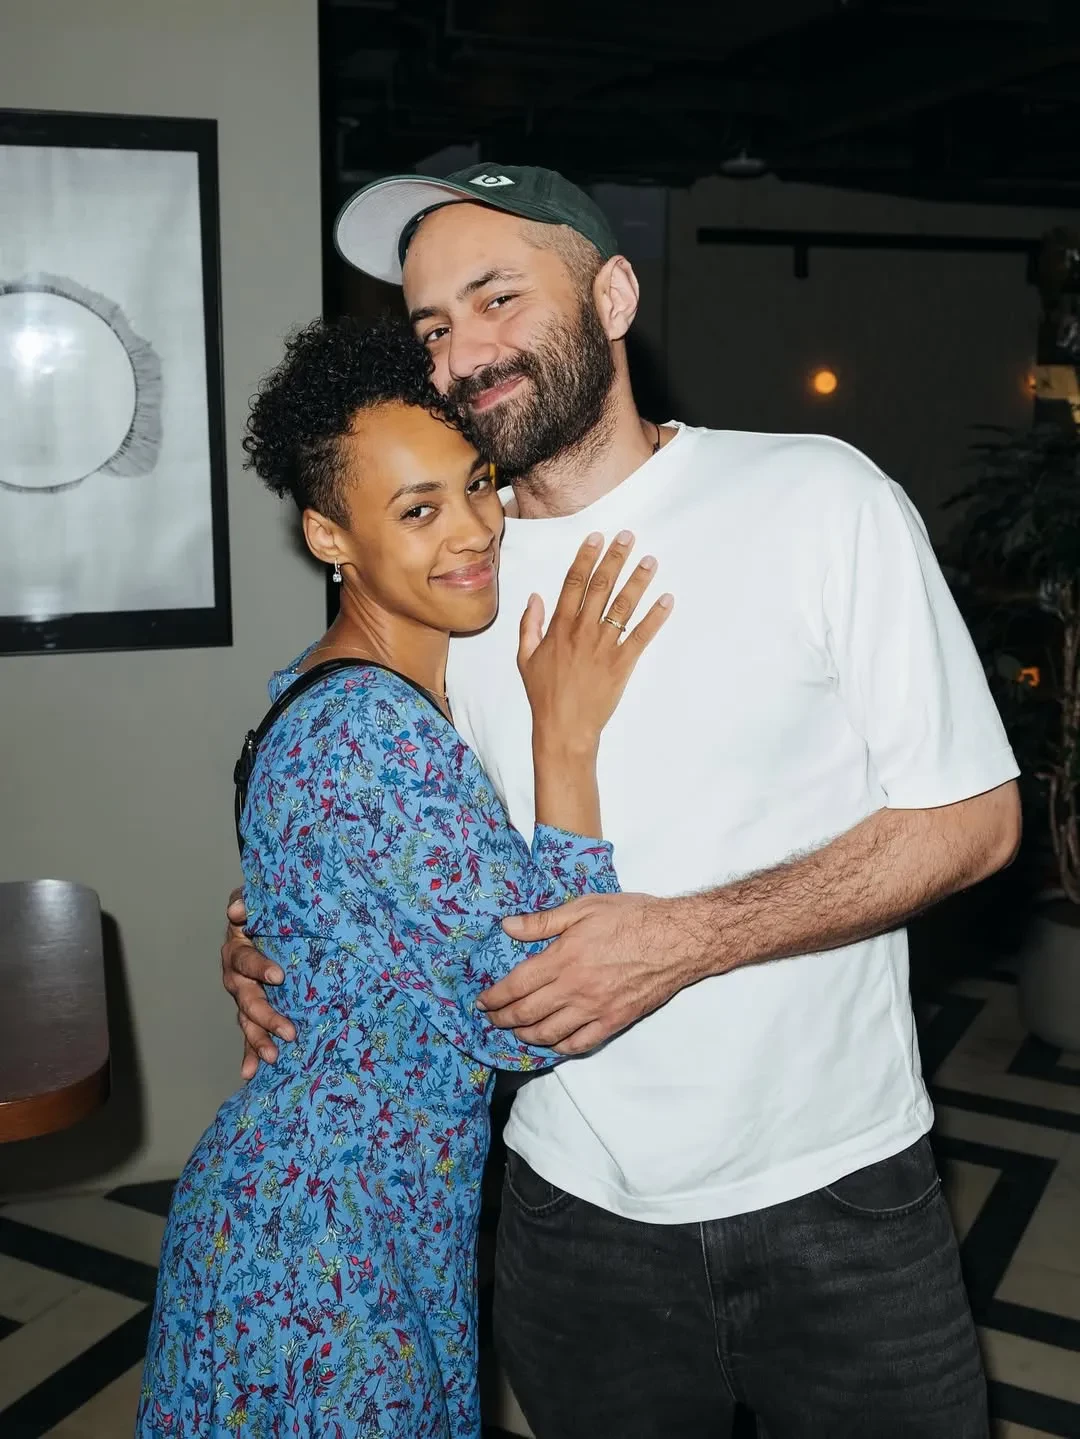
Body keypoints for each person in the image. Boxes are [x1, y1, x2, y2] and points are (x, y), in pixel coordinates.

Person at [223, 166, 1022, 1438]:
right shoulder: (449, 569)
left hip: (840, 1195)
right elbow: (373, 812)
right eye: (432, 326)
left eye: (498, 298)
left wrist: (684, 935)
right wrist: (285, 933)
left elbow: (974, 820)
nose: (463, 353)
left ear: (611, 295)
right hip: (568, 1212)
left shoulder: (818, 499)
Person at [137, 317, 670, 1439]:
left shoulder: (345, 687)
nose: (475, 529)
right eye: (417, 510)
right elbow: (533, 1009)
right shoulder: (374, 731)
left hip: (334, 1217)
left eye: (476, 484)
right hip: (325, 1255)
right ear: (329, 533)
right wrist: (565, 738)